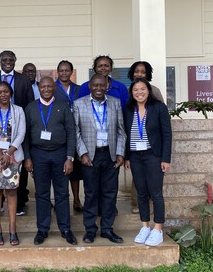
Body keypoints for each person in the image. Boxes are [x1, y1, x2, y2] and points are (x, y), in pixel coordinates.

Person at [24, 76, 78, 246]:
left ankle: (65, 229)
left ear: (54, 88)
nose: (46, 89)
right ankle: (42, 229)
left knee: (62, 193)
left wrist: (69, 158)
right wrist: (27, 157)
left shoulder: (63, 106)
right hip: (38, 155)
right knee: (41, 193)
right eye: (43, 87)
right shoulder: (31, 107)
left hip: (60, 154)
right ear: (38, 88)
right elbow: (25, 135)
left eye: (49, 86)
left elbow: (71, 133)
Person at [73, 73, 126, 244]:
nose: (98, 88)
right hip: (90, 156)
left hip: (109, 154)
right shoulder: (79, 104)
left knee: (110, 194)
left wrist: (120, 153)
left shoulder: (115, 103)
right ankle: (90, 230)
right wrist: (83, 154)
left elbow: (121, 130)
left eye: (102, 85)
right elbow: (75, 132)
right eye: (95, 85)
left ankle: (107, 229)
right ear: (90, 86)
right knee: (91, 194)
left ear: (107, 86)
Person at [0, 50, 34, 216]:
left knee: (18, 170)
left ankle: (18, 203)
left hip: (17, 132)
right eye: (4, 59)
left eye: (11, 59)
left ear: (15, 60)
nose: (7, 61)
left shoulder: (24, 79)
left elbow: (30, 103)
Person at [124, 78, 172, 246]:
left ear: (149, 90)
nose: (139, 92)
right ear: (132, 93)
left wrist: (166, 158)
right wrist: (127, 156)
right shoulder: (129, 109)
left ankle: (157, 229)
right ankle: (145, 226)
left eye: (142, 89)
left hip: (154, 156)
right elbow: (126, 134)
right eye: (135, 90)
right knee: (141, 193)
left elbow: (167, 134)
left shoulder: (159, 108)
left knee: (156, 193)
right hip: (136, 156)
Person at [0, 81, 26, 246]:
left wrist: (9, 153)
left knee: (12, 193)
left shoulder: (19, 111)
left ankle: (13, 230)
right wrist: (1, 154)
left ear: (11, 93)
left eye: (6, 91)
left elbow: (21, 133)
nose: (3, 94)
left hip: (13, 157)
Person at [127, 61, 164, 214]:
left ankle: (157, 224)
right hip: (135, 151)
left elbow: (162, 123)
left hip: (152, 150)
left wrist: (165, 157)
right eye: (136, 71)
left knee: (155, 189)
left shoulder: (155, 92)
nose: (139, 74)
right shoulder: (129, 92)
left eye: (143, 71)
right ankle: (139, 207)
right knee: (138, 183)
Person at [53, 60, 83, 213]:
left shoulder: (79, 89)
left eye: (67, 70)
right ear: (57, 72)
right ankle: (60, 200)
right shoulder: (52, 89)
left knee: (75, 169)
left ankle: (77, 199)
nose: (64, 73)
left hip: (77, 130)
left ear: (72, 72)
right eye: (61, 70)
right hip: (60, 132)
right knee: (61, 169)